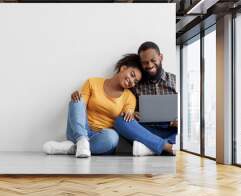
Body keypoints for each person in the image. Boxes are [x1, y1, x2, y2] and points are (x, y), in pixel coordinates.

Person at [43, 54, 175, 158]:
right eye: (132, 75)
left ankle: (72, 148)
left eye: (135, 81)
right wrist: (76, 100)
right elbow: (79, 107)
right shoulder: (92, 82)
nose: (131, 81)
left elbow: (126, 117)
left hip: (101, 138)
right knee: (76, 101)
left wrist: (130, 113)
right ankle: (81, 141)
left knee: (113, 137)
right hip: (78, 130)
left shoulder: (130, 97)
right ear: (123, 68)